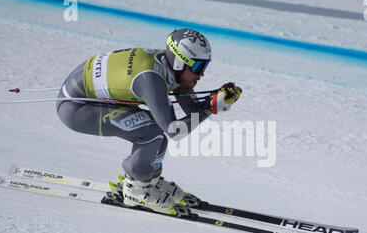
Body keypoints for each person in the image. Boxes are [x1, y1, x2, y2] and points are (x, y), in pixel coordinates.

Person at [56, 28, 242, 216]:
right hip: (75, 108)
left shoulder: (167, 67)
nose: (201, 75)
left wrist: (213, 101)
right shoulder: (151, 80)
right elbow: (175, 131)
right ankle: (136, 190)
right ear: (179, 63)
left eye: (204, 67)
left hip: (83, 96)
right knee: (152, 131)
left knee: (156, 127)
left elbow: (192, 111)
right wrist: (208, 109)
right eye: (197, 68)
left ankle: (147, 180)